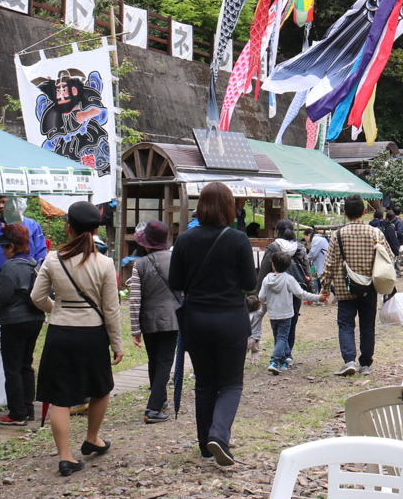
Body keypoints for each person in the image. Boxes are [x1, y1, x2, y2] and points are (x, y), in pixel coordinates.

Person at [30, 202, 123, 477]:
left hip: (60, 332)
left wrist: (57, 309)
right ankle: (92, 438)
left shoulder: (52, 258)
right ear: (96, 230)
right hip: (92, 333)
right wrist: (117, 344)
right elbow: (111, 309)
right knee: (100, 388)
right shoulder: (105, 263)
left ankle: (65, 457)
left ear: (68, 226)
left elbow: (36, 297)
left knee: (60, 397)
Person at [169, 182, 257, 467]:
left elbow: (176, 283)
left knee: (205, 383)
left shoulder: (184, 240)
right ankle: (219, 435)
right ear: (230, 208)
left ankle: (206, 446)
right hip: (230, 317)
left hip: (196, 318)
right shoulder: (238, 239)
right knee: (231, 383)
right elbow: (249, 283)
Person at [322, 194, 389, 377]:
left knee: (345, 325)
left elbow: (330, 264)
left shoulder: (338, 235)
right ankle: (365, 364)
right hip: (370, 288)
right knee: (367, 325)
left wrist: (325, 288)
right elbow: (388, 258)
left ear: (345, 213)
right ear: (364, 211)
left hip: (345, 289)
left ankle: (349, 361)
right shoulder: (376, 234)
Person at [0, 223, 45, 426]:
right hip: (35, 319)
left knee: (12, 367)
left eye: (4, 246)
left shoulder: (10, 267)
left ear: (11, 246)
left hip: (14, 321)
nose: (2, 251)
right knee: (26, 365)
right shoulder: (33, 264)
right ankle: (28, 409)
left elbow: (2, 296)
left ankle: (17, 413)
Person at [126, 220, 179, 424]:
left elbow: (135, 300)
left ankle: (160, 399)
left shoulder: (139, 264)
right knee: (165, 362)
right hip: (172, 318)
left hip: (148, 319)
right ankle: (154, 408)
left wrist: (135, 329)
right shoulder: (175, 260)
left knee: (154, 360)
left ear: (147, 243)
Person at [257, 219, 313, 364]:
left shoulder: (273, 247)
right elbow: (307, 268)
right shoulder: (300, 247)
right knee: (291, 322)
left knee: (278, 324)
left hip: (276, 291)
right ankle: (287, 355)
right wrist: (311, 289)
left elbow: (263, 270)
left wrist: (257, 292)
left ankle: (282, 355)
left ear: (277, 231)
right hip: (296, 288)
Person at [260, 251, 322, 374]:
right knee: (283, 338)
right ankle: (274, 361)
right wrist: (317, 297)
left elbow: (261, 297)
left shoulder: (266, 279)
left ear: (272, 265)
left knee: (277, 338)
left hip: (273, 314)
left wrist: (268, 302)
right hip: (287, 314)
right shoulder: (289, 279)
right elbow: (301, 294)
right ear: (289, 266)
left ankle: (283, 361)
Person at [0, 196, 47, 282]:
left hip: (28, 279)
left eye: (4, 202)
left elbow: (40, 252)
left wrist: (36, 273)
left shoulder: (32, 225)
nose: (0, 206)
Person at [304, 226, 329, 294]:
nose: (305, 239)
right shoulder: (318, 239)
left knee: (321, 281)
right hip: (321, 261)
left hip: (322, 261)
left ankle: (323, 298)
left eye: (305, 236)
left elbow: (313, 254)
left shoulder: (316, 239)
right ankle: (320, 298)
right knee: (320, 281)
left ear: (308, 235)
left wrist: (304, 259)